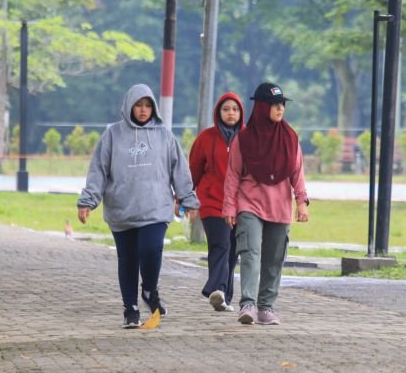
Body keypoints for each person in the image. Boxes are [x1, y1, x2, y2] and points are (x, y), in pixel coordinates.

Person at [77, 84, 200, 329]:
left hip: (156, 208)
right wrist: (88, 201)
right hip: (122, 210)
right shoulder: (112, 135)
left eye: (147, 106)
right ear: (129, 106)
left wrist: (188, 199)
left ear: (153, 108)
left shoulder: (164, 135)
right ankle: (130, 309)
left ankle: (149, 290)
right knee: (128, 259)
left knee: (151, 249)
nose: (143, 110)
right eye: (138, 105)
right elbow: (98, 170)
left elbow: (179, 169)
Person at [223, 82, 309, 326]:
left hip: (279, 207)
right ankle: (247, 304)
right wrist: (229, 207)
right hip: (249, 205)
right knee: (250, 253)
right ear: (261, 107)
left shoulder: (290, 138)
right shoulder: (244, 139)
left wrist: (302, 202)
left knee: (273, 259)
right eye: (274, 104)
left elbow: (297, 172)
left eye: (282, 104)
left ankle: (266, 307)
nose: (280, 108)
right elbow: (233, 175)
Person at [189, 92, 245, 312]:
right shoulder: (206, 138)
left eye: (235, 109)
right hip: (212, 203)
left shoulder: (247, 137)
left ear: (241, 113)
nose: (230, 113)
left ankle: (225, 298)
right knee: (220, 245)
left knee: (233, 251)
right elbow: (193, 170)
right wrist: (182, 198)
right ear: (218, 112)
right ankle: (218, 288)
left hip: (240, 205)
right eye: (226, 109)